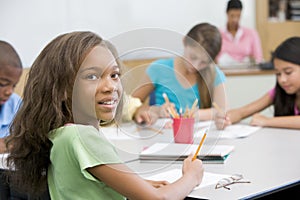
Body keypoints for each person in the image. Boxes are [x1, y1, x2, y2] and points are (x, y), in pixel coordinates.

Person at [6, 31, 204, 199]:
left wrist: (140, 183)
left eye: (114, 75)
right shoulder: (82, 137)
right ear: (62, 89)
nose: (110, 86)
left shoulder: (62, 134)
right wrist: (191, 177)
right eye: (92, 76)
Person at [132, 23, 227, 125]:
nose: (195, 66)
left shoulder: (215, 74)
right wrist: (155, 111)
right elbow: (131, 105)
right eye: (193, 57)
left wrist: (197, 114)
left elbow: (222, 111)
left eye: (203, 62)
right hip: (161, 136)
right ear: (185, 42)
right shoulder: (158, 69)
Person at [216, 36, 300, 130]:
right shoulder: (279, 92)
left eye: (288, 72)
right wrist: (226, 118)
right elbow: (242, 112)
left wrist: (267, 121)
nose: (282, 80)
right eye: (278, 74)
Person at [0, 40, 24, 200]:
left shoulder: (15, 104)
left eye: (14, 85)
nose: (9, 91)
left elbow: (26, 139)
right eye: (3, 84)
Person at [216, 0, 263, 66]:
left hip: (246, 73)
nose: (235, 20)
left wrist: (252, 59)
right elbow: (213, 58)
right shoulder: (218, 34)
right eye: (232, 16)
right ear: (227, 14)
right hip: (224, 72)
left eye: (238, 16)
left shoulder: (251, 34)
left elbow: (259, 58)